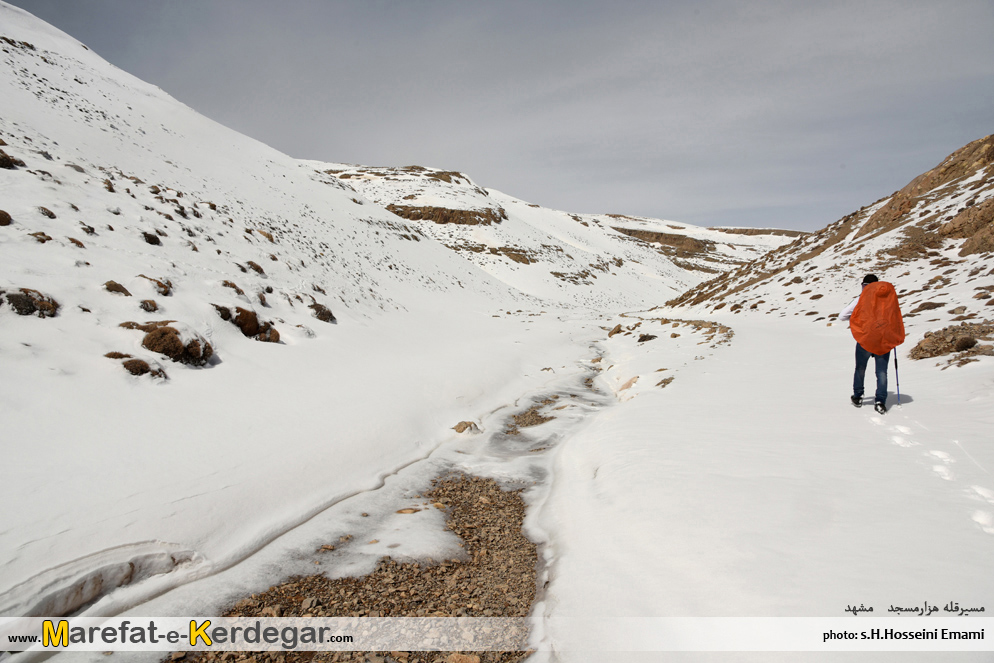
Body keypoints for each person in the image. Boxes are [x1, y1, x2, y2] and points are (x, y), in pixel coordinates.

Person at [839, 274, 891, 414]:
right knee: (881, 372)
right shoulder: (887, 300)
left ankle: (858, 396)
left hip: (865, 339)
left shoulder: (860, 299)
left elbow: (842, 316)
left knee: (860, 368)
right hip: (883, 340)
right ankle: (880, 401)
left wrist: (856, 318)